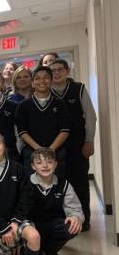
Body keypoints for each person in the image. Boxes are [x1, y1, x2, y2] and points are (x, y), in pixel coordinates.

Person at [14, 148, 83, 255]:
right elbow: (16, 212)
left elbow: (75, 208)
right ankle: (38, 250)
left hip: (53, 224)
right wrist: (17, 239)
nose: (45, 166)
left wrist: (75, 217)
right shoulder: (25, 183)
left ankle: (51, 250)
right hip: (31, 227)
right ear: (33, 166)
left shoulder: (64, 184)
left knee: (73, 226)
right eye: (39, 162)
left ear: (56, 164)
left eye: (49, 162)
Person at [50, 58, 97, 231]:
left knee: (80, 183)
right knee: (58, 184)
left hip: (78, 144)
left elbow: (91, 117)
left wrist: (89, 140)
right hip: (56, 145)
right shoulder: (46, 92)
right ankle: (64, 221)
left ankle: (84, 221)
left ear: (67, 71)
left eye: (59, 69)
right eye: (53, 70)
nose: (56, 73)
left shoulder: (79, 89)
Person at [15, 66, 71, 176]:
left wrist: (51, 149)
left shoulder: (60, 104)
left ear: (51, 81)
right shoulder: (23, 106)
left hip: (56, 153)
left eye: (46, 78)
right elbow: (22, 131)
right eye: (37, 78)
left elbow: (65, 129)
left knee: (57, 187)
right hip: (32, 152)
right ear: (32, 83)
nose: (42, 81)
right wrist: (39, 150)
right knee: (32, 189)